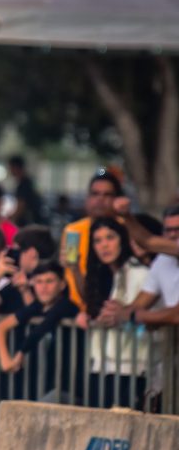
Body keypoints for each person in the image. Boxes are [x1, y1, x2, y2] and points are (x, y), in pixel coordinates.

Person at [76, 217, 149, 408]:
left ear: (122, 240)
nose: (104, 245)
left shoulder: (139, 273)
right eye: (98, 240)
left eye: (110, 238)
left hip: (132, 367)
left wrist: (124, 316)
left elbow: (147, 318)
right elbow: (92, 306)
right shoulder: (105, 275)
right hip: (102, 365)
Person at [0, 261, 80, 400]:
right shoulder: (37, 306)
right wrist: (5, 360)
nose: (43, 287)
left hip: (67, 387)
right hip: (42, 385)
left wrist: (20, 354)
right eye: (39, 282)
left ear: (62, 284)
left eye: (49, 281)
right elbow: (1, 327)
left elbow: (44, 327)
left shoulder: (67, 306)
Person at [98, 203, 179, 328]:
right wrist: (115, 313)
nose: (173, 235)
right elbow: (139, 304)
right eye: (168, 230)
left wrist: (133, 316)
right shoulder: (162, 261)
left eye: (178, 229)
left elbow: (176, 315)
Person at [60, 169, 123, 308]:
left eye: (107, 194)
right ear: (87, 198)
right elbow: (68, 274)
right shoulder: (73, 231)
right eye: (95, 194)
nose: (100, 199)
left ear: (117, 199)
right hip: (76, 312)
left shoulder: (125, 227)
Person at [8, 155, 46, 226]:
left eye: (10, 168)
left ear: (16, 167)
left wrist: (11, 219)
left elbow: (21, 206)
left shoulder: (23, 184)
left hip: (28, 222)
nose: (10, 171)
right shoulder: (29, 182)